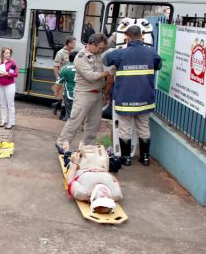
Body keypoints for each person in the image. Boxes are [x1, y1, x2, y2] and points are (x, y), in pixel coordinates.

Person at [103, 25, 162, 166]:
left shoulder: (120, 53)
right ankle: (145, 158)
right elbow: (158, 65)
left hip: (126, 98)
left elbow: (105, 60)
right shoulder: (151, 52)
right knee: (144, 128)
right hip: (144, 99)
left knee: (125, 129)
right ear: (141, 36)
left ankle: (126, 159)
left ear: (127, 37)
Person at [56, 33, 111, 152]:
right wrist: (107, 73)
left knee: (94, 123)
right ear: (91, 44)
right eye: (99, 48)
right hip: (84, 93)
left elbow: (111, 42)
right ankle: (62, 143)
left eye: (102, 48)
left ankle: (89, 146)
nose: (101, 51)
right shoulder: (81, 57)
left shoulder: (97, 52)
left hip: (97, 94)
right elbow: (90, 76)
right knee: (75, 120)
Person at [0, 46, 18, 129]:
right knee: (2, 104)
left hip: (10, 85)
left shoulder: (12, 63)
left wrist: (7, 74)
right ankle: (3, 120)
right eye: (6, 53)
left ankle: (11, 123)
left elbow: (15, 74)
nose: (8, 54)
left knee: (10, 104)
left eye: (9, 53)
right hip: (0, 85)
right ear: (3, 53)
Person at [53, 36, 77, 119]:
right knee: (64, 96)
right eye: (74, 43)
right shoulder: (60, 53)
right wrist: (58, 78)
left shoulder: (73, 52)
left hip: (69, 77)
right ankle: (63, 114)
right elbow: (56, 66)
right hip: (63, 76)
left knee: (65, 96)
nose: (75, 44)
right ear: (69, 43)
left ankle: (57, 106)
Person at [56, 51, 78, 121]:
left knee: (69, 113)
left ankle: (69, 127)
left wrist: (57, 92)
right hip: (81, 94)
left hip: (69, 94)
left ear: (69, 58)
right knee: (79, 113)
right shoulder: (82, 68)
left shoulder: (65, 68)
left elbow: (59, 82)